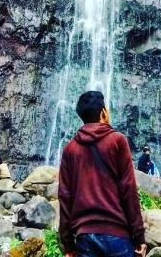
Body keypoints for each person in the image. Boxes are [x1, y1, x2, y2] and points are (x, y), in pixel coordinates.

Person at [59, 90, 146, 257]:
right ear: (104, 112)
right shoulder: (117, 140)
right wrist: (139, 236)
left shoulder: (70, 149)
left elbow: (64, 197)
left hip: (84, 238)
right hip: (118, 235)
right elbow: (128, 188)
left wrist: (68, 245)